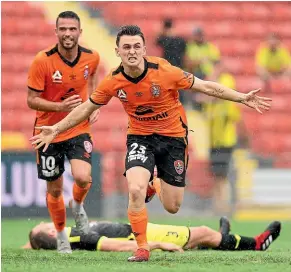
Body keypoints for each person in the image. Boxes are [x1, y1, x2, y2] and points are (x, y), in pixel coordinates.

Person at [30, 25, 272, 262]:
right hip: (140, 138)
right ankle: (142, 248)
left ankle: (154, 182)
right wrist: (56, 128)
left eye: (137, 46)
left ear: (144, 49)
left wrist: (242, 97)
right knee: (134, 190)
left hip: (173, 139)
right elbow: (87, 107)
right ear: (118, 51)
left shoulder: (165, 71)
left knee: (172, 206)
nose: (132, 51)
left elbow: (206, 86)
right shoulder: (113, 80)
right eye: (126, 47)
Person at [27, 11, 100, 254]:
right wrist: (60, 107)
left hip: (77, 128)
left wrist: (92, 105)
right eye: (63, 29)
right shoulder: (43, 60)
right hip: (47, 132)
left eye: (72, 29)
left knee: (82, 177)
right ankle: (60, 234)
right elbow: (31, 100)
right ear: (56, 31)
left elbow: (93, 81)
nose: (67, 34)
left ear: (80, 31)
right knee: (55, 189)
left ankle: (77, 205)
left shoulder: (92, 57)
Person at [23, 215, 281, 254]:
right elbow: (110, 245)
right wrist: (155, 244)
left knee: (198, 236)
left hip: (133, 229)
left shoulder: (51, 238)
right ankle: (257, 244)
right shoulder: (73, 238)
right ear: (49, 231)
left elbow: (33, 242)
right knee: (202, 232)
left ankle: (219, 237)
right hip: (135, 235)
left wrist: (31, 244)